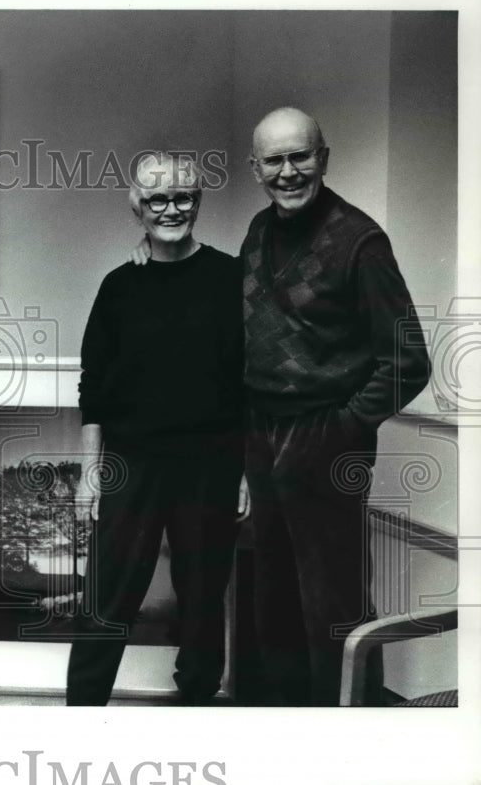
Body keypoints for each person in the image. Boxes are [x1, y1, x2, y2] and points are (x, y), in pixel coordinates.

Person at [131, 109, 432, 706]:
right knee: (274, 602)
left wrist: (341, 428)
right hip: (259, 437)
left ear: (324, 156)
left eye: (301, 157)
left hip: (325, 440)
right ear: (255, 167)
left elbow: (409, 360)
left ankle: (342, 742)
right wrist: (152, 250)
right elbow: (233, 320)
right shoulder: (256, 232)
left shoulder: (360, 242)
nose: (288, 172)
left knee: (332, 605)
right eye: (274, 160)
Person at [66, 152, 245, 706]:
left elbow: (247, 382)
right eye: (156, 200)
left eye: (183, 197)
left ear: (199, 201)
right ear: (137, 210)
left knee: (201, 598)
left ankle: (195, 708)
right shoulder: (119, 286)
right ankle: (79, 719)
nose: (171, 209)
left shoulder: (229, 278)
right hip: (131, 463)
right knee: (107, 596)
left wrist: (243, 472)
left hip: (210, 464)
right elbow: (93, 385)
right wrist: (91, 470)